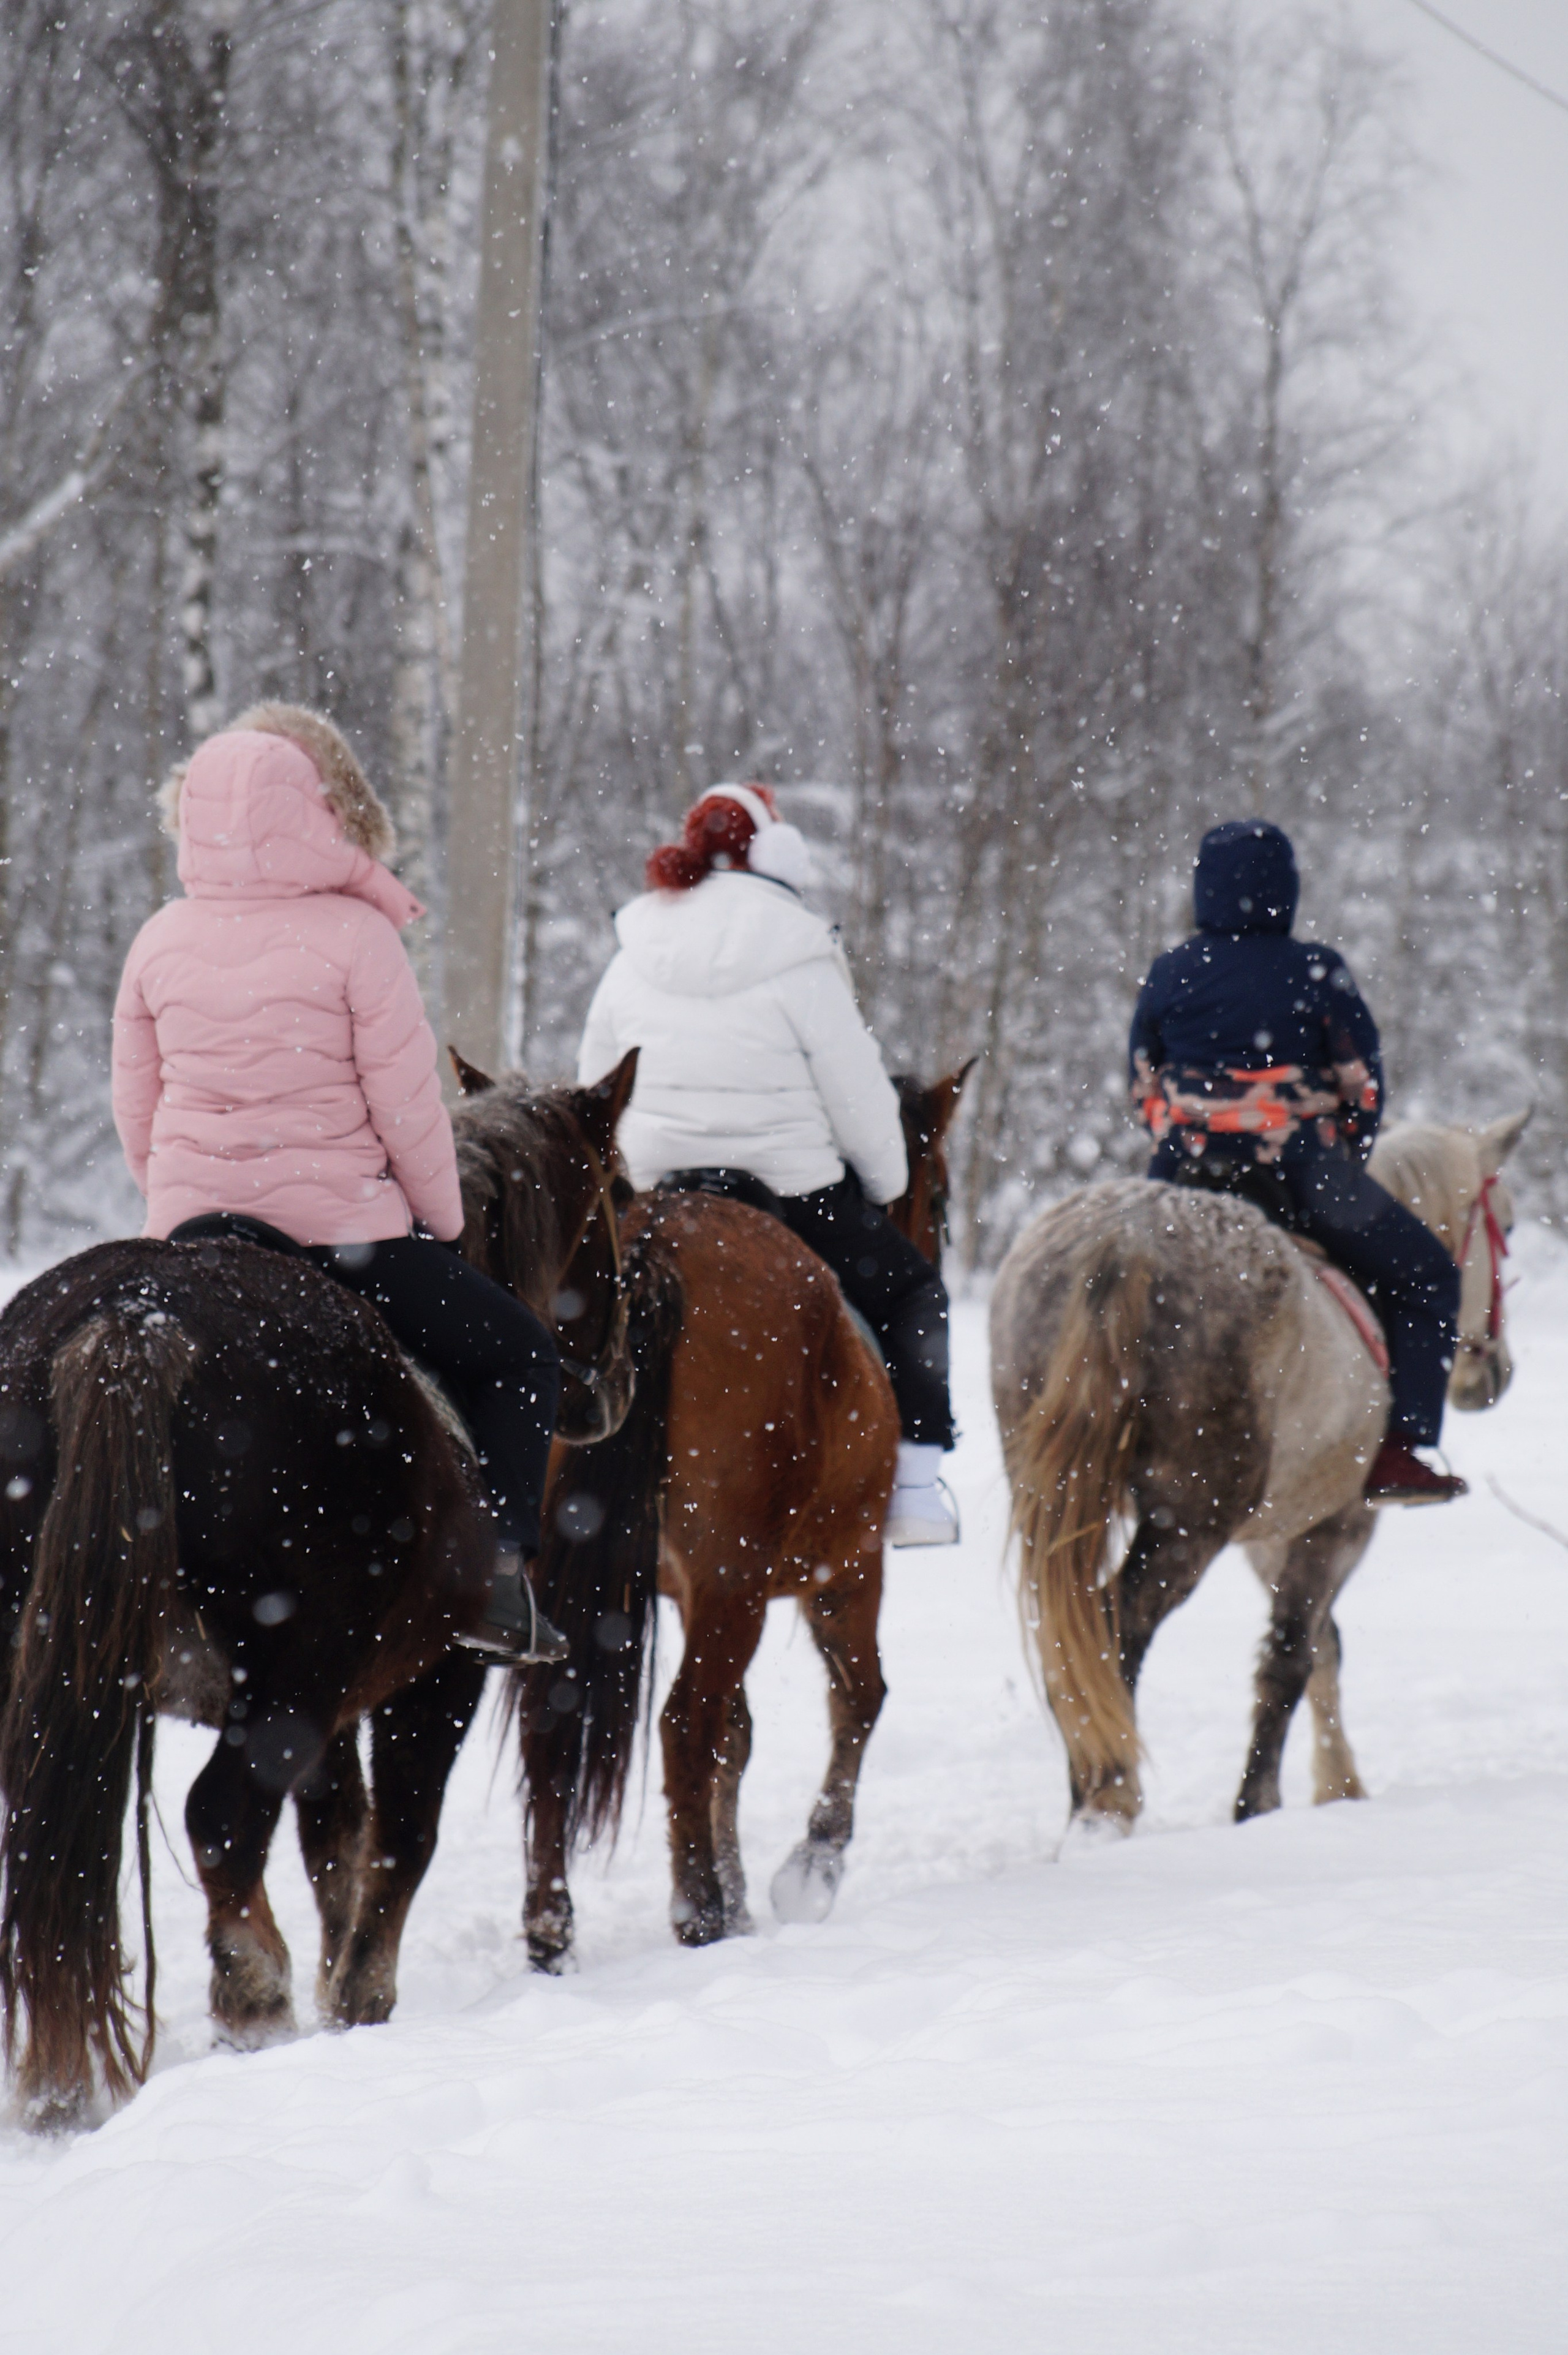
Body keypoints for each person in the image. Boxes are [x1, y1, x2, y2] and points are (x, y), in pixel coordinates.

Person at [111, 704, 566, 1658]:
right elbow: (408, 1110)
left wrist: (175, 1204)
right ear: (323, 810)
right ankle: (498, 1580)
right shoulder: (359, 936)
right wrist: (438, 1222)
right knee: (522, 1354)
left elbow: (137, 1108)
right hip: (342, 1237)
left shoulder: (159, 936)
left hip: (195, 1232)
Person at [578, 783, 959, 1545]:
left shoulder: (632, 953)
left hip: (655, 1185)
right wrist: (886, 1183)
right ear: (777, 855)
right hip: (791, 1192)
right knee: (915, 1291)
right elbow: (857, 1097)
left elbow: (594, 1085)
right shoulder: (801, 952)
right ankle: (916, 1489)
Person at [1128, 818, 1464, 1505]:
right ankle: (1399, 1448)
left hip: (1184, 1166)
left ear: (1204, 890)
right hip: (1300, 1167)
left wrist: (1185, 1133)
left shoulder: (1170, 970)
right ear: (1286, 888)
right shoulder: (1316, 968)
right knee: (1427, 1275)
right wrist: (1344, 1150)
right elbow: (1361, 1086)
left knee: (1117, 1282)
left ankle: (1097, 1429)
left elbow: (1144, 1084)